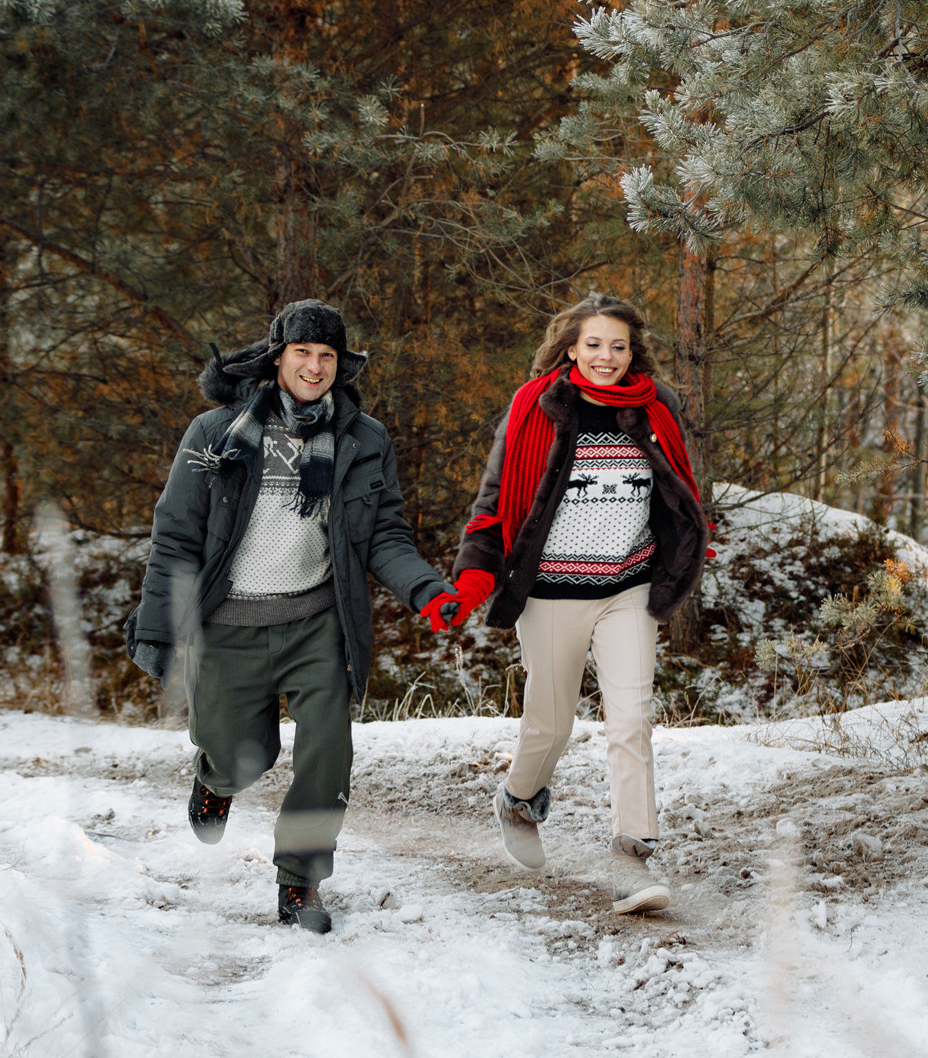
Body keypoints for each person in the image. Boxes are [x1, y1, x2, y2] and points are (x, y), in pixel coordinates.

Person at [124, 299, 460, 932]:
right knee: (243, 756)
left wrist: (426, 590)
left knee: (327, 755)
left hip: (317, 622)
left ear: (341, 365)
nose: (314, 366)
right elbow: (176, 536)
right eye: (302, 352)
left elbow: (383, 534)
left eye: (327, 355)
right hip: (227, 627)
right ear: (277, 357)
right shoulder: (214, 432)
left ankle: (300, 882)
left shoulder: (364, 440)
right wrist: (157, 627)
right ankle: (217, 778)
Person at [427, 292, 708, 915]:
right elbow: (494, 503)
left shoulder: (655, 406)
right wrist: (472, 580)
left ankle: (632, 858)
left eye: (618, 346)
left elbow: (676, 488)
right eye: (594, 344)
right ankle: (519, 801)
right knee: (550, 724)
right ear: (571, 349)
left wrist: (688, 542)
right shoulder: (536, 407)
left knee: (631, 720)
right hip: (551, 592)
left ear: (633, 353)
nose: (606, 356)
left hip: (628, 589)